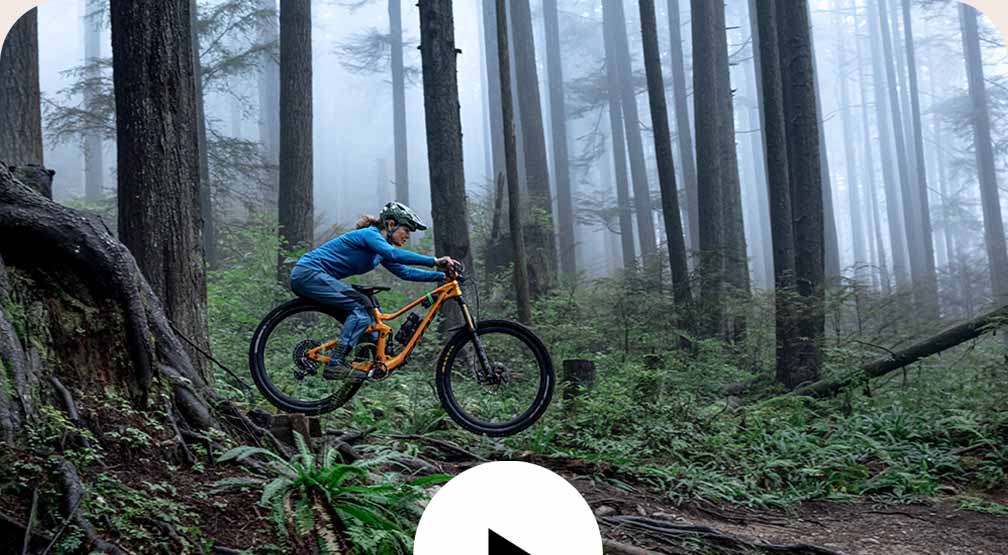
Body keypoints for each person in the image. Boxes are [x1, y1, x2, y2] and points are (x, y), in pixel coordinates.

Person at [290, 201, 458, 381]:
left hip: (316, 277)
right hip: (308, 273)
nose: (408, 236)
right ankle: (335, 364)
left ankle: (366, 362)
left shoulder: (380, 250)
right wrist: (434, 261)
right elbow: (394, 254)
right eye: (406, 230)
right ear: (391, 225)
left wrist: (441, 277)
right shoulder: (371, 235)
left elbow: (405, 272)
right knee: (361, 308)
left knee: (370, 318)